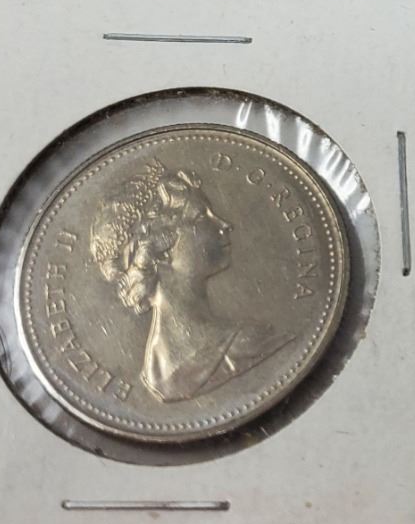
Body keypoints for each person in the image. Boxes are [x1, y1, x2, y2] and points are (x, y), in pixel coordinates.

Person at [90, 158, 294, 403]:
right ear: (160, 251)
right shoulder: (247, 346)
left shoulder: (159, 371)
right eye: (200, 217)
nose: (225, 224)